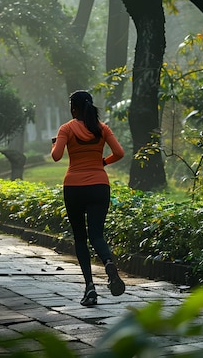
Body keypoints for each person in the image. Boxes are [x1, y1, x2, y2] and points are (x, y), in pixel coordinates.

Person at [51, 90, 125, 307]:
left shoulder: (66, 128)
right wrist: (102, 162)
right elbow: (119, 153)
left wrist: (54, 143)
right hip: (99, 186)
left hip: (74, 187)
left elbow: (56, 156)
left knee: (80, 238)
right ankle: (109, 262)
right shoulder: (102, 129)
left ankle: (90, 288)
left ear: (74, 108)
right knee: (97, 235)